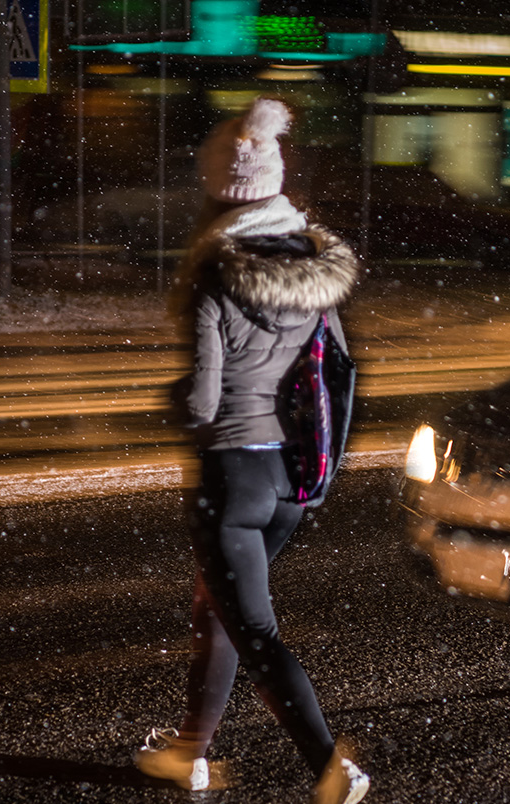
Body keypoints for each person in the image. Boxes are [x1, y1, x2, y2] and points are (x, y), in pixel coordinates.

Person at [133, 97, 369, 804]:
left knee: (255, 630)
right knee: (223, 611)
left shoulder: (216, 273)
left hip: (231, 478)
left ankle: (332, 769)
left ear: (219, 191)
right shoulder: (312, 271)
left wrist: (168, 403)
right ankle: (189, 753)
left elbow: (204, 403)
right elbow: (334, 370)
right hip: (288, 480)